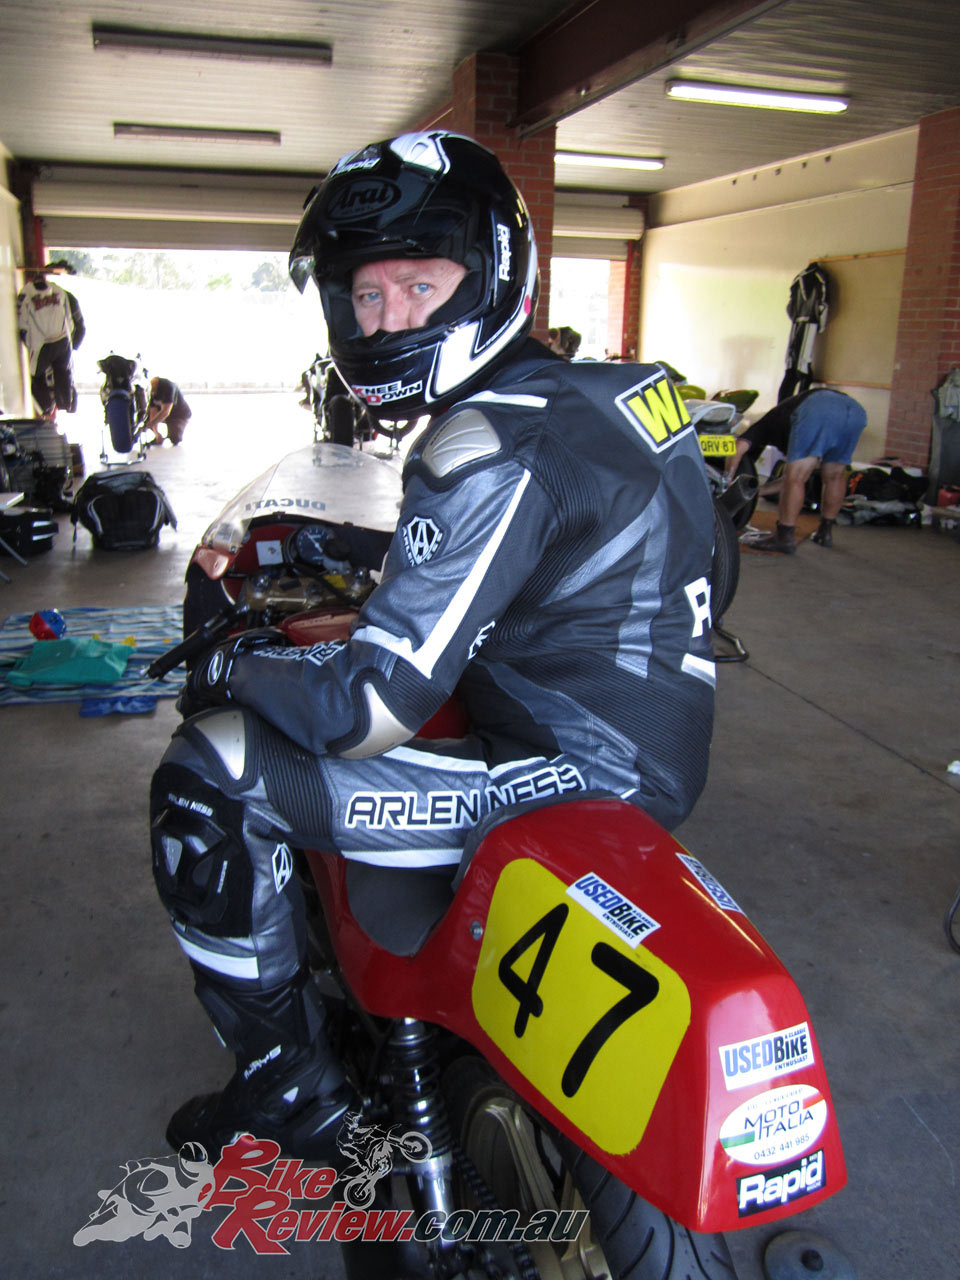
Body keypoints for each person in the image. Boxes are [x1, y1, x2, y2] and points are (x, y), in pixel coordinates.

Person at [149, 130, 717, 1159]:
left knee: (207, 771)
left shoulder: (480, 440)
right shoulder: (636, 392)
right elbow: (646, 556)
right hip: (657, 739)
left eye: (419, 283)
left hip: (567, 773)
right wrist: (384, 552)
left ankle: (290, 1089)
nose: (389, 318)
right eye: (366, 295)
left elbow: (366, 708)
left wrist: (231, 664)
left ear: (492, 275)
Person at [731, 387, 867, 552]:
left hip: (819, 407)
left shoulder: (763, 426)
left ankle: (784, 537)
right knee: (835, 475)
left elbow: (738, 447)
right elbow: (792, 480)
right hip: (855, 411)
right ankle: (824, 532)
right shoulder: (783, 421)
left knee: (795, 477)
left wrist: (729, 480)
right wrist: (758, 492)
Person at [16, 267, 85, 419]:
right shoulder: (60, 292)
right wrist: (70, 344)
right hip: (62, 341)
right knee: (63, 372)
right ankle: (63, 403)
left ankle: (49, 407)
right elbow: (75, 324)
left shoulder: (26, 293)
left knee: (37, 375)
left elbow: (22, 321)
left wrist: (27, 340)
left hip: (43, 344)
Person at [145, 376, 191, 445]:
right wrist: (157, 434)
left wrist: (151, 424)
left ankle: (172, 433)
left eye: (154, 389)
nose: (153, 392)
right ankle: (159, 438)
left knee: (175, 439)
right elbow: (152, 413)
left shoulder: (168, 387)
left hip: (179, 416)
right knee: (147, 421)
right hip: (165, 414)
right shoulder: (152, 391)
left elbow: (165, 412)